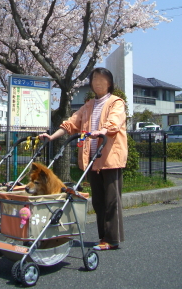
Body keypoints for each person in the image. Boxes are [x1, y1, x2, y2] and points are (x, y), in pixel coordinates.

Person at [39, 67, 127, 250]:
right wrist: (52, 136)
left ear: (109, 83)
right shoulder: (88, 105)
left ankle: (112, 239)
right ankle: (104, 237)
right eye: (94, 80)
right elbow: (71, 123)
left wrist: (102, 131)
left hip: (110, 158)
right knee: (98, 201)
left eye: (102, 80)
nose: (98, 83)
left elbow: (115, 121)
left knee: (111, 200)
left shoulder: (116, 102)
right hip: (92, 159)